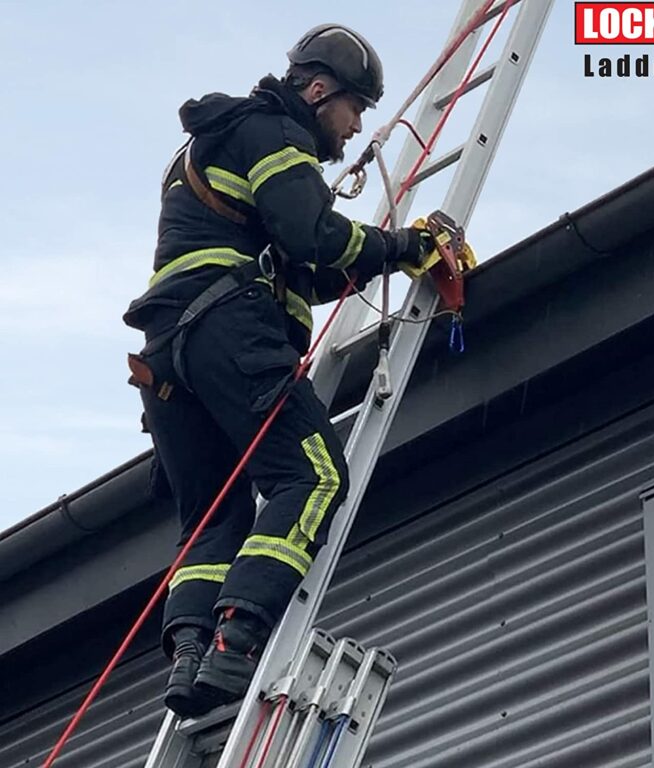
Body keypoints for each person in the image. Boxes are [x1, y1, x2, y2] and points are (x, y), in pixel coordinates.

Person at [123, 23, 432, 718]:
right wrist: (406, 243)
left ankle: (193, 653)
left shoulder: (227, 138)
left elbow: (308, 266)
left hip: (170, 354)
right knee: (314, 473)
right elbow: (314, 237)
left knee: (212, 515)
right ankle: (240, 640)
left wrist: (379, 258)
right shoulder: (274, 134)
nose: (355, 129)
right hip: (227, 326)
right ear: (318, 91)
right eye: (355, 108)